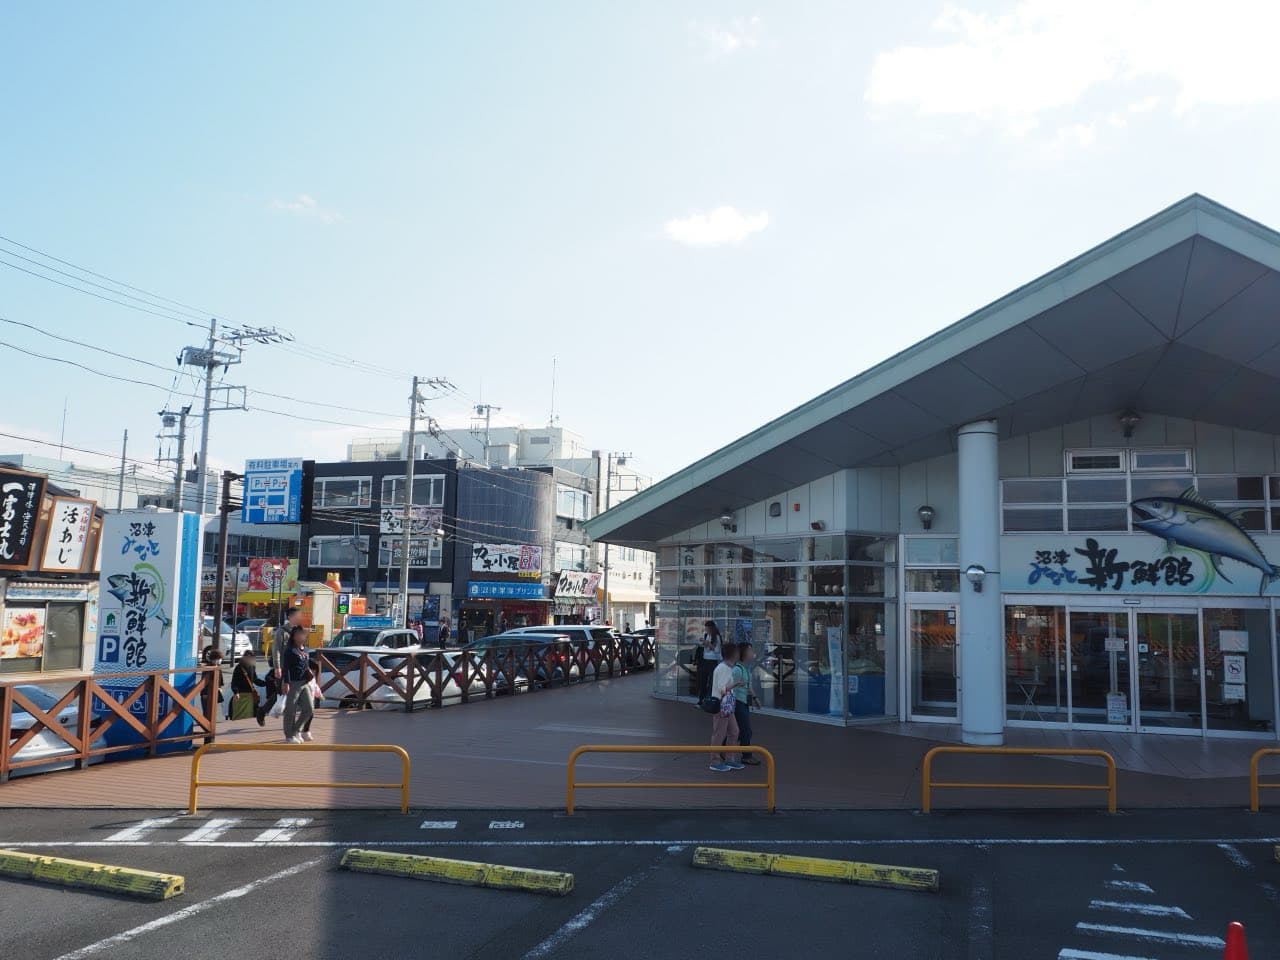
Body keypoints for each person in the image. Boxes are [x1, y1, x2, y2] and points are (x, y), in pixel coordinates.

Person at [709, 641, 742, 772]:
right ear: (733, 654)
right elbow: (722, 688)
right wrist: (736, 684)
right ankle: (715, 761)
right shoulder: (723, 668)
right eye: (737, 652)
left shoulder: (727, 667)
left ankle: (729, 759)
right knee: (720, 733)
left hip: (727, 705)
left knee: (734, 732)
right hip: (722, 705)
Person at [281, 626, 315, 744]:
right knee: (291, 710)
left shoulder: (305, 649)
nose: (301, 636)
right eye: (298, 634)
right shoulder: (289, 650)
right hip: (293, 683)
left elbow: (307, 665)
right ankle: (289, 736)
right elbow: (286, 668)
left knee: (309, 709)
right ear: (294, 637)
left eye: (303, 634)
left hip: (304, 682)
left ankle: (296, 730)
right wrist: (286, 682)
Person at [732, 641, 762, 765]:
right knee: (745, 730)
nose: (752, 653)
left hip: (743, 702)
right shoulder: (737, 670)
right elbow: (728, 686)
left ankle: (723, 749)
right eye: (750, 651)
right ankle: (746, 755)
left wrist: (755, 698)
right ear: (743, 653)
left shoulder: (745, 669)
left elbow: (748, 685)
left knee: (738, 730)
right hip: (737, 703)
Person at [230, 651, 268, 724]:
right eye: (250, 658)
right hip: (241, 695)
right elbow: (234, 682)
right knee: (239, 715)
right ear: (245, 657)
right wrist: (236, 692)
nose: (252, 660)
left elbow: (255, 679)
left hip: (250, 695)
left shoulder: (252, 667)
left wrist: (266, 683)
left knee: (248, 715)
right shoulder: (239, 667)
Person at [269, 607, 303, 683]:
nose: (299, 618)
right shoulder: (281, 632)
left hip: (298, 668)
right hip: (285, 668)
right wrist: (277, 667)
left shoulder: (300, 631)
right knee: (284, 692)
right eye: (296, 616)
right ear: (289, 617)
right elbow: (276, 650)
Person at [696, 620, 722, 707]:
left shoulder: (717, 637)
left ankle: (708, 700)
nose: (706, 629)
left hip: (713, 661)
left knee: (711, 682)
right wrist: (704, 643)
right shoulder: (707, 635)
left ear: (712, 628)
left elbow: (717, 650)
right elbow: (706, 649)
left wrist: (708, 644)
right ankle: (701, 700)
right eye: (705, 628)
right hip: (705, 660)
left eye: (707, 628)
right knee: (702, 681)